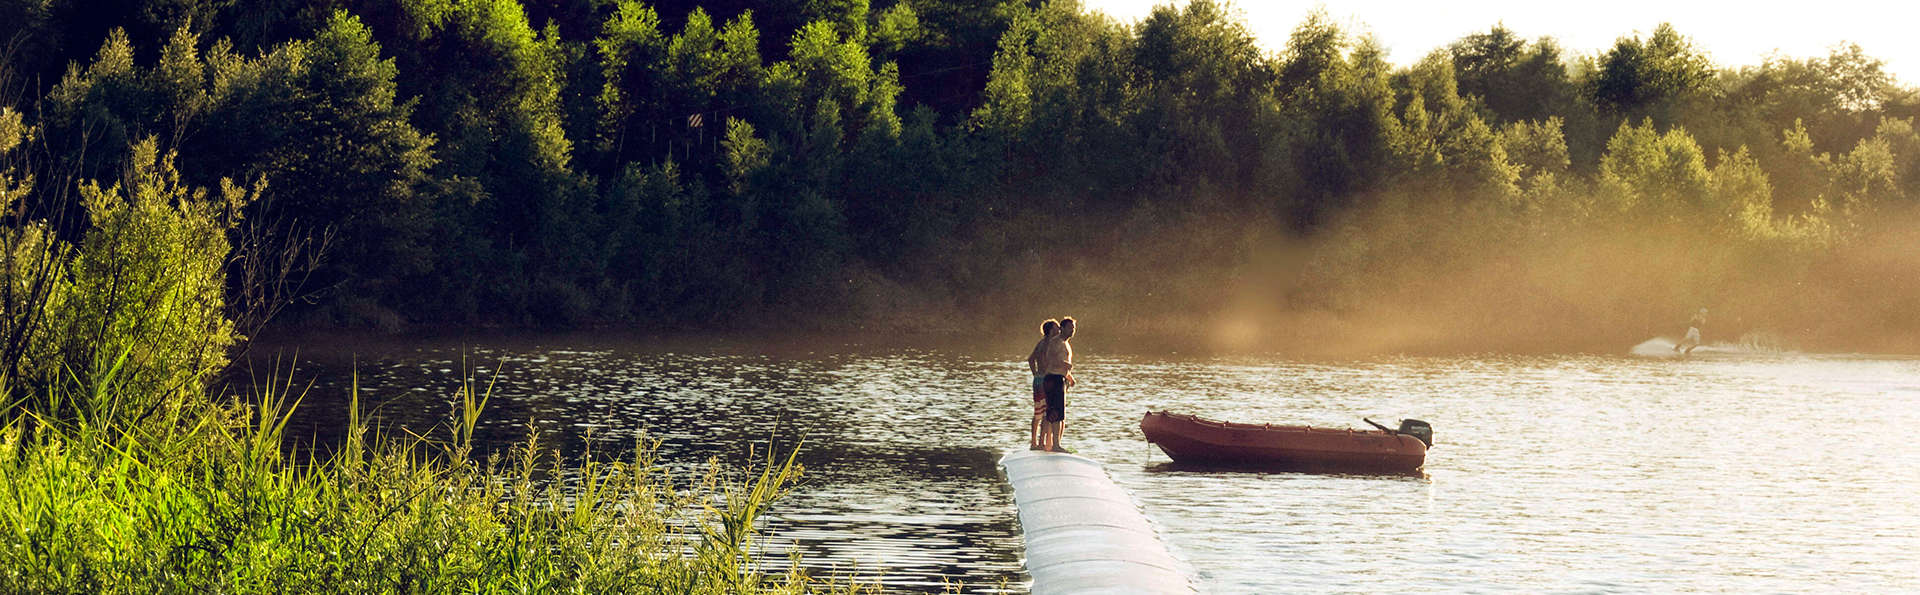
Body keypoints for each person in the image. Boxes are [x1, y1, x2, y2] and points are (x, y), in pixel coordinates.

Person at [1039, 317, 1076, 452]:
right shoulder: (1056, 342)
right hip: (1052, 379)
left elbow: (1061, 363)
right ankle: (1055, 445)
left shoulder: (1066, 343)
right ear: (1062, 328)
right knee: (1054, 412)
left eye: (1074, 328)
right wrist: (1065, 364)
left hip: (1059, 378)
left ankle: (1055, 444)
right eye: (1070, 327)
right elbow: (1051, 359)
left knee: (1060, 413)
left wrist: (1069, 376)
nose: (1072, 330)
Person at [1025, 319, 1059, 450]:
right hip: (1047, 380)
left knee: (1037, 412)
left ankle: (1033, 442)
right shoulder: (1052, 343)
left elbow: (1030, 359)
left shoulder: (1040, 343)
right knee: (1046, 413)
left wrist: (1035, 374)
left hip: (1038, 379)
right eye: (1057, 328)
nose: (1059, 330)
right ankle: (1041, 443)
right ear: (1051, 330)